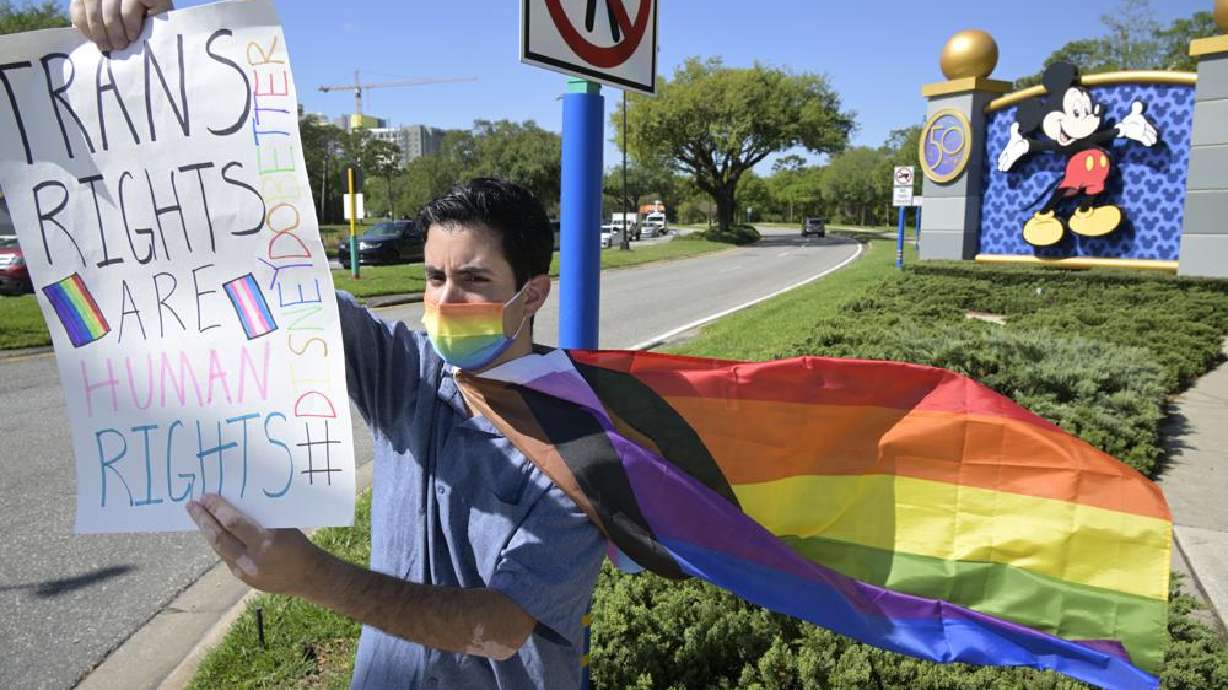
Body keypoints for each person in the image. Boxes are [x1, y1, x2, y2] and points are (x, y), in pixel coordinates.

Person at [74, 6, 606, 687]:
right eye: (434, 276)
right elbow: (276, 275)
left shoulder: (582, 442)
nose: (444, 301)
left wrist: (314, 577)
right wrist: (159, 51)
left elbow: (501, 627)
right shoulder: (411, 374)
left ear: (532, 294)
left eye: (473, 281)